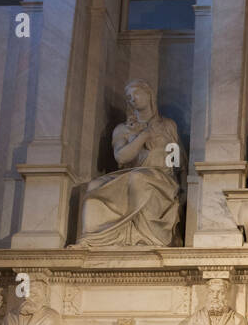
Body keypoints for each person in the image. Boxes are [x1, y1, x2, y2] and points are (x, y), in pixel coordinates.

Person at [78, 80, 185, 247]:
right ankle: (96, 239)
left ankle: (147, 237)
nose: (132, 99)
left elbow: (176, 162)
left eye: (136, 93)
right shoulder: (123, 129)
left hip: (162, 178)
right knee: (93, 186)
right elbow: (121, 157)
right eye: (128, 97)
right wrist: (142, 136)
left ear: (149, 94)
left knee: (138, 179)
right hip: (132, 173)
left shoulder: (168, 126)